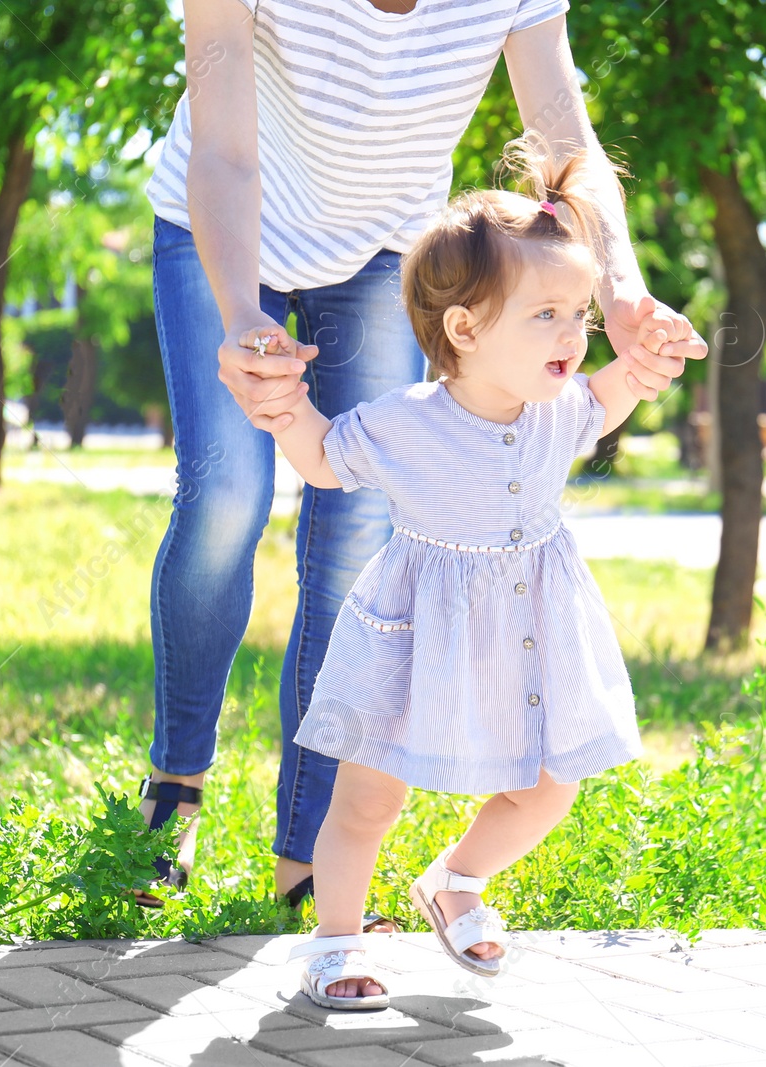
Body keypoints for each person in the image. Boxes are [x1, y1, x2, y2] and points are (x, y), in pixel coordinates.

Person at [134, 0, 707, 916]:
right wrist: (245, 313)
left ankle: (310, 851)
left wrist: (624, 292)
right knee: (227, 497)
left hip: (381, 250)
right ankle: (176, 784)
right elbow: (226, 150)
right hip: (226, 221)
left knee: (357, 530)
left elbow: (567, 145)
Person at [262, 139, 698, 1009]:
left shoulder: (560, 406)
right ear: (464, 329)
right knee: (365, 800)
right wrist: (282, 407)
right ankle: (336, 940)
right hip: (414, 632)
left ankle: (455, 880)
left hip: (530, 630)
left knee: (548, 788)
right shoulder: (403, 423)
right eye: (549, 316)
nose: (576, 335)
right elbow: (320, 459)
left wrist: (650, 358)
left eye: (579, 313)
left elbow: (616, 390)